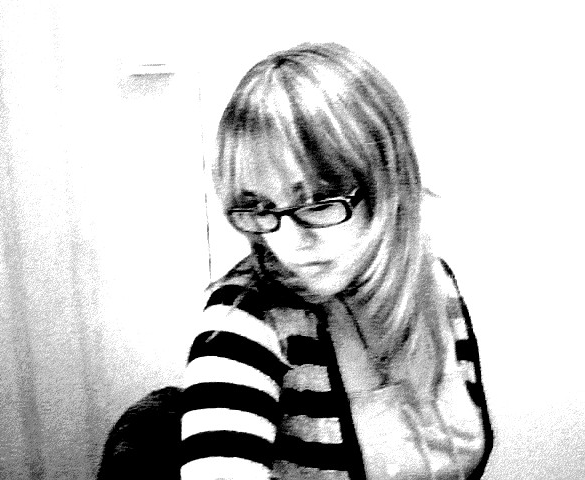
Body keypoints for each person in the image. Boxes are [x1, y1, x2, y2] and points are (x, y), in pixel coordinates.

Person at [181, 42, 493, 480]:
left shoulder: (435, 284)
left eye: (317, 201)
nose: (288, 241)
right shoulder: (245, 321)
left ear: (388, 184)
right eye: (261, 206)